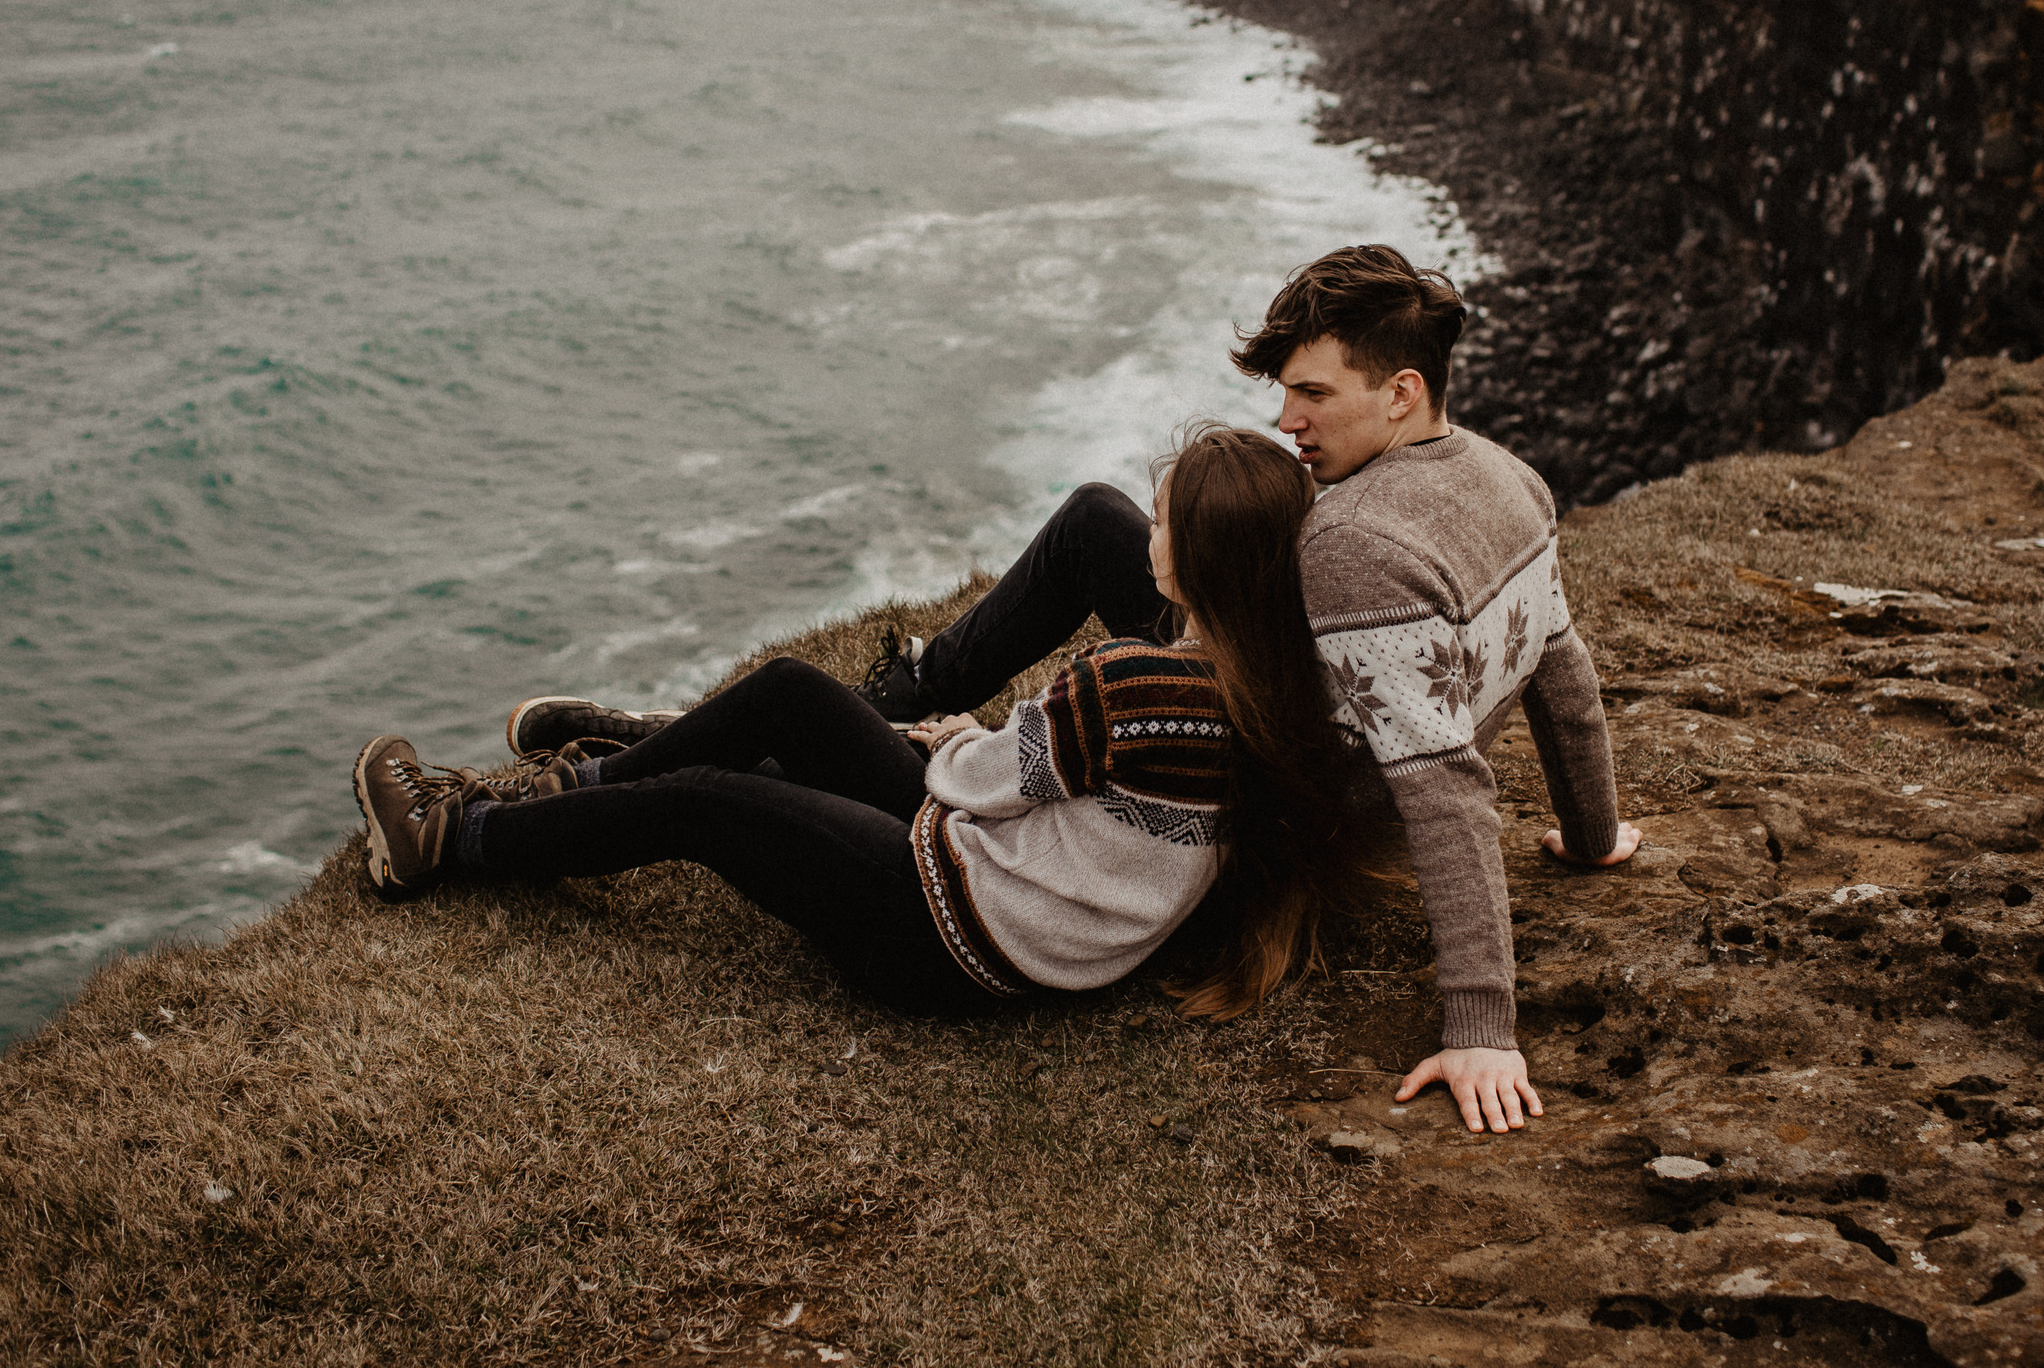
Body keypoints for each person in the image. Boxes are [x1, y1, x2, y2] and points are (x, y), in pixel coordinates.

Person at [823, 244, 1643, 1132]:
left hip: (1260, 801)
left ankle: (891, 726)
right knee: (1100, 521)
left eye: (1315, 394)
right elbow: (1561, 665)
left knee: (1102, 544)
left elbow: (1446, 786)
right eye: (1287, 391)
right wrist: (1592, 832)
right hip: (1288, 717)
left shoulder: (1355, 549)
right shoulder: (1509, 477)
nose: (1288, 421)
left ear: (1402, 391)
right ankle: (913, 690)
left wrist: (1482, 1024)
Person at [351, 426, 1399, 1025]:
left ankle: (454, 841)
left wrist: (960, 741)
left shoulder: (1134, 685)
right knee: (791, 695)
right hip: (1025, 901)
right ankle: (578, 783)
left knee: (709, 806)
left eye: (1162, 519)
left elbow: (980, 783)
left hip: (956, 940)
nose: (1148, 532)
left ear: (1202, 560)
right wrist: (987, 750)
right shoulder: (1261, 684)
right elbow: (1054, 783)